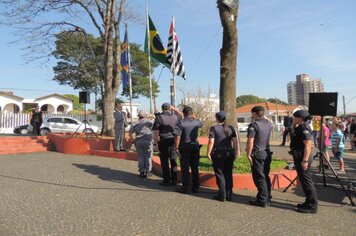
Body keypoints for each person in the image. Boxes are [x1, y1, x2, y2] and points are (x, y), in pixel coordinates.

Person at [290, 110, 318, 213]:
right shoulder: (300, 126)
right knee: (303, 180)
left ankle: (312, 206)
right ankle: (308, 201)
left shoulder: (304, 128)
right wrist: (293, 124)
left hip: (303, 157)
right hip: (299, 156)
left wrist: (305, 161)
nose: (293, 119)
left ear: (300, 118)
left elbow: (307, 145)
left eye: (294, 117)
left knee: (307, 182)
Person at [207, 111, 238, 202]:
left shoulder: (214, 128)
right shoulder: (231, 128)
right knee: (228, 173)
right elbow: (235, 142)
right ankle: (229, 194)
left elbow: (211, 142)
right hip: (229, 152)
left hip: (219, 153)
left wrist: (208, 153)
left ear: (217, 119)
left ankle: (222, 195)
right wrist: (235, 152)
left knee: (220, 174)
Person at [246, 106, 273, 207]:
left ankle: (262, 200)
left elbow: (250, 141)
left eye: (252, 113)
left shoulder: (254, 125)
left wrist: (248, 154)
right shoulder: (269, 123)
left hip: (257, 153)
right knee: (266, 176)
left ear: (254, 113)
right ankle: (267, 197)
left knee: (259, 177)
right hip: (267, 152)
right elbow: (268, 121)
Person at [174, 106, 203, 194]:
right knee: (195, 167)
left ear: (183, 113)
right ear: (192, 113)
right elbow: (201, 124)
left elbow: (177, 136)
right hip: (195, 146)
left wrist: (176, 147)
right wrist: (194, 117)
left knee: (185, 168)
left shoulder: (181, 123)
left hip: (185, 147)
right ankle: (196, 186)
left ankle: (185, 187)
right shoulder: (197, 122)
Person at [153, 103, 182, 186]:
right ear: (170, 108)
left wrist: (155, 143)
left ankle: (166, 180)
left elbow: (156, 131)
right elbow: (182, 116)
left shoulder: (159, 117)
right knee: (173, 160)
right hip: (173, 140)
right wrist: (175, 109)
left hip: (164, 141)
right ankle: (174, 180)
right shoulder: (176, 117)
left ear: (162, 109)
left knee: (164, 161)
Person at [129, 110, 153, 178]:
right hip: (148, 141)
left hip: (138, 141)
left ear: (138, 116)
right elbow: (155, 122)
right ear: (145, 116)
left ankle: (142, 171)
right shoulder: (149, 122)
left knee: (141, 157)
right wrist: (149, 115)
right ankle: (148, 171)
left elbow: (130, 132)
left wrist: (132, 140)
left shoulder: (135, 123)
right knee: (148, 156)